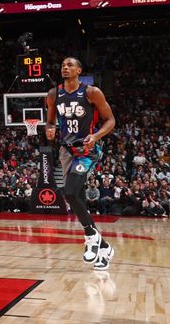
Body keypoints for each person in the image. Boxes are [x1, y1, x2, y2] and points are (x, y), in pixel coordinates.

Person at [46, 57, 116, 271]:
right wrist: (49, 129)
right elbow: (50, 121)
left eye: (69, 65)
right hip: (67, 151)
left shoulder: (91, 92)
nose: (65, 68)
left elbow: (111, 120)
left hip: (86, 150)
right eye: (62, 66)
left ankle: (89, 235)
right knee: (77, 198)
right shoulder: (53, 94)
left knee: (69, 192)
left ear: (79, 70)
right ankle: (103, 247)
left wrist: (95, 136)